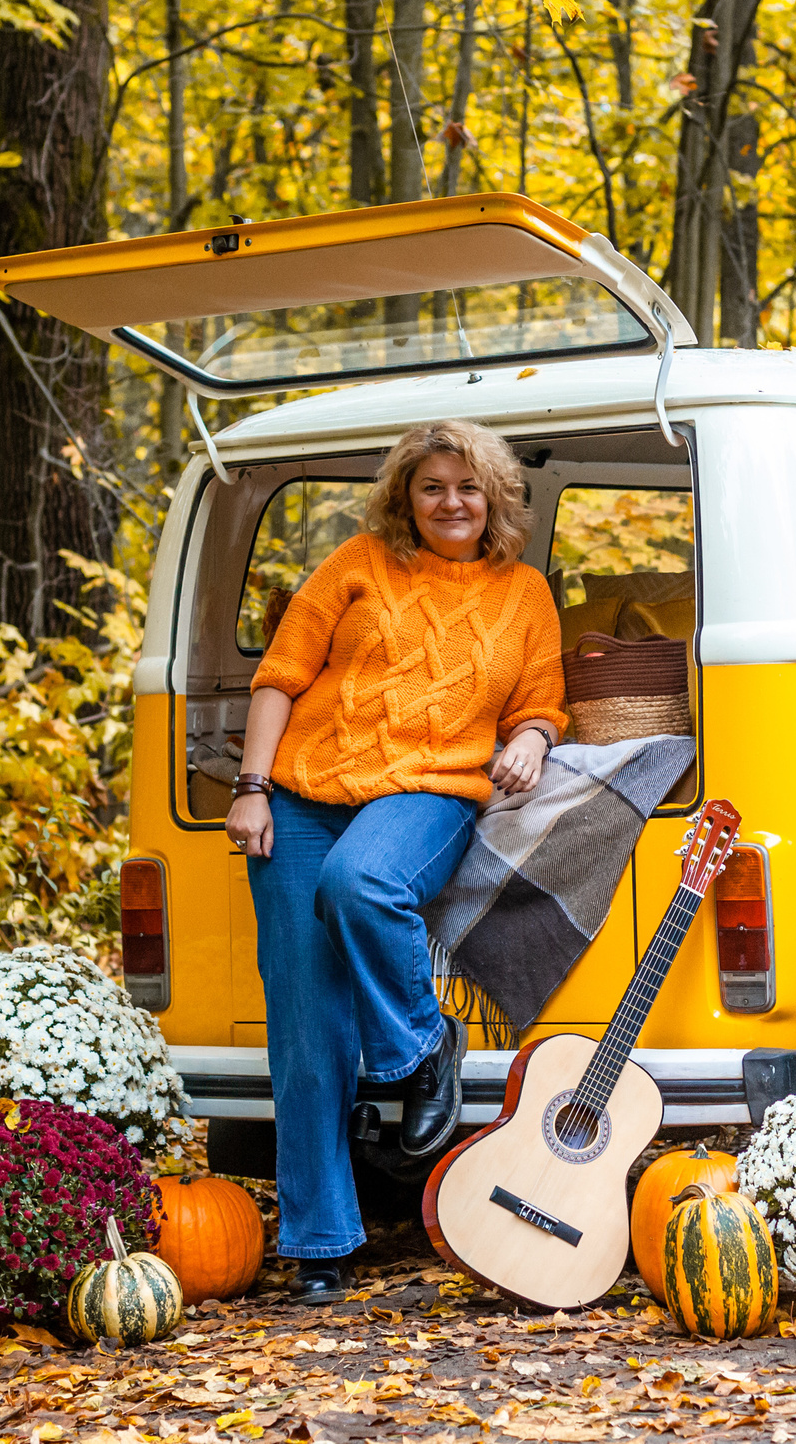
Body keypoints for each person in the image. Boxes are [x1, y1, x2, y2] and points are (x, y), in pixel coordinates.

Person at [226, 419, 567, 1298]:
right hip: (302, 795)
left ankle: (421, 1046)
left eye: (466, 486)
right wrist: (253, 786)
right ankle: (321, 1241)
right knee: (305, 1028)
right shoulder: (355, 565)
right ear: (405, 498)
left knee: (363, 882)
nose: (450, 502)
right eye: (431, 487)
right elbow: (280, 675)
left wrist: (529, 740)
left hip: (428, 792)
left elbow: (541, 702)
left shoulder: (524, 592)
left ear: (492, 494)